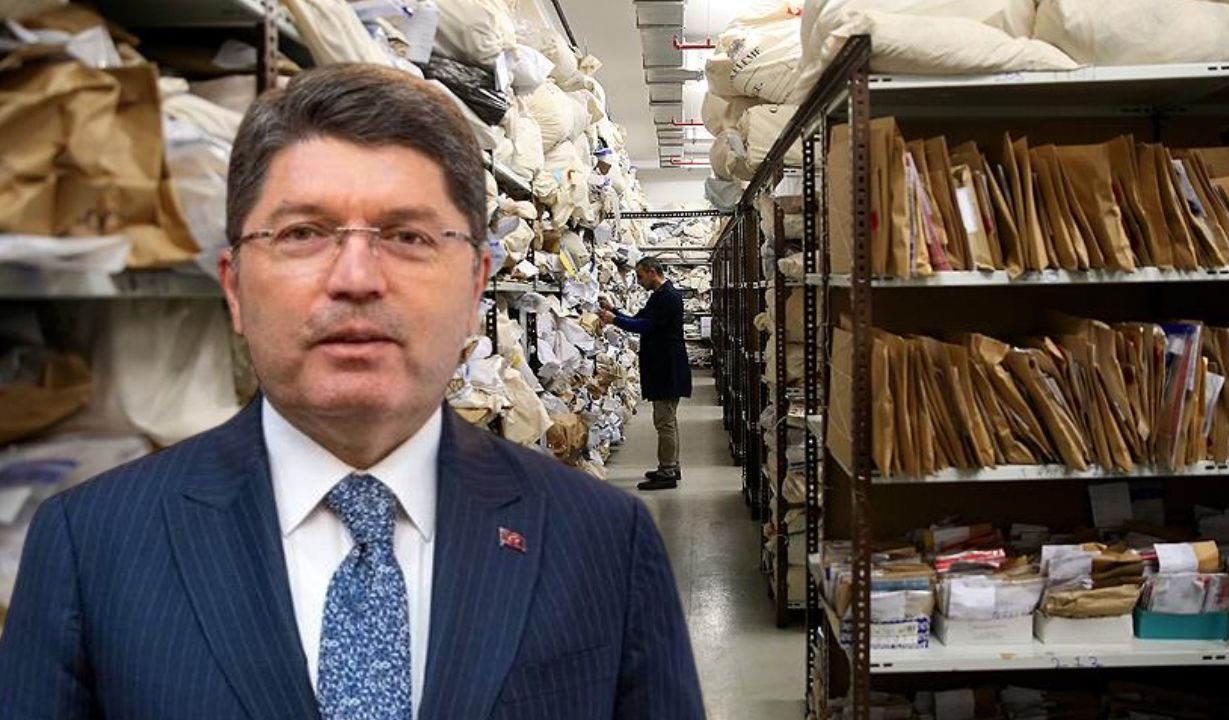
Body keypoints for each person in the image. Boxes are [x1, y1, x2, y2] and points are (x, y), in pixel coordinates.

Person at [0, 64, 704, 720]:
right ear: (234, 287)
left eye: (408, 236)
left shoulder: (603, 541)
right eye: (304, 233)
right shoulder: (89, 545)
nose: (356, 278)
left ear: (475, 287)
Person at [599, 257, 693, 491]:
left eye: (640, 276)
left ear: (652, 272)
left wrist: (613, 320)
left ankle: (667, 472)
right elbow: (638, 319)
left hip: (667, 368)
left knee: (664, 422)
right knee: (667, 420)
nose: (639, 281)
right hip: (663, 367)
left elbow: (644, 326)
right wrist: (614, 311)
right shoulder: (659, 296)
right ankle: (671, 466)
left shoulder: (668, 297)